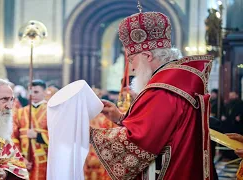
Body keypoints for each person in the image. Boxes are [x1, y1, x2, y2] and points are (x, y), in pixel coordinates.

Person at [89, 9, 214, 179]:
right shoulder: (177, 83)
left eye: (131, 59)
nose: (132, 68)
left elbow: (138, 144)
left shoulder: (163, 91)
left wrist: (88, 133)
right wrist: (120, 118)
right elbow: (159, 130)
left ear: (147, 55)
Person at [12, 79, 48, 180]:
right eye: (30, 92)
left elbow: (59, 135)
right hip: (25, 158)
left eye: (36, 92)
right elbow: (13, 136)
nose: (32, 95)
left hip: (46, 159)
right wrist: (20, 158)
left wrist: (38, 136)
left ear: (44, 92)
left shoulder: (52, 112)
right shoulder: (20, 112)